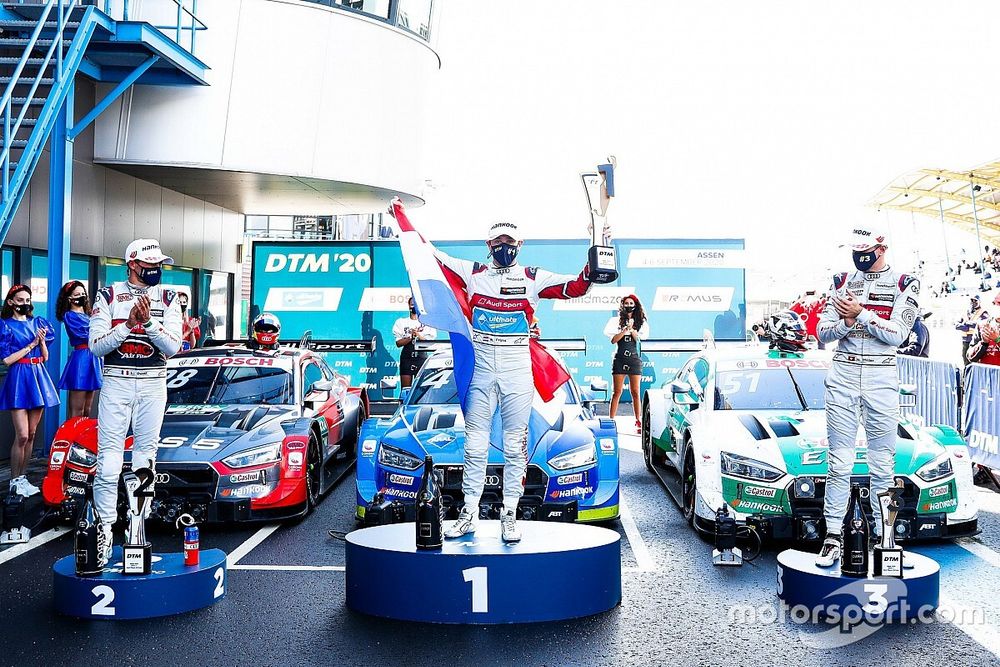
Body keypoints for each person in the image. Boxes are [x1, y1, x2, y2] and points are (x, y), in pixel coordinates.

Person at [425, 216, 596, 543]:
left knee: (515, 447)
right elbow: (429, 255)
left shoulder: (533, 277)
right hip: (482, 368)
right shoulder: (473, 273)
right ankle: (468, 514)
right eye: (498, 242)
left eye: (510, 242)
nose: (505, 247)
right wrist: (401, 219)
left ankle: (509, 515)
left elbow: (573, 287)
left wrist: (592, 268)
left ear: (520, 245)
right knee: (475, 445)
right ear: (489, 245)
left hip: (518, 369)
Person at [814, 224, 918, 568]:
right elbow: (823, 333)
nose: (860, 256)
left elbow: (899, 335)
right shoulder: (841, 279)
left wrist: (861, 314)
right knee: (839, 462)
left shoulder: (905, 282)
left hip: (881, 375)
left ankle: (885, 538)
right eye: (855, 249)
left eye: (866, 249)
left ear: (882, 247)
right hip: (843, 374)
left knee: (882, 465)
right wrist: (845, 323)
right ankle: (832, 537)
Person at [89, 239, 182, 566]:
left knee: (146, 459)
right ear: (132, 264)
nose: (156, 269)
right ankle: (104, 531)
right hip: (116, 381)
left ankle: (137, 529)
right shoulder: (108, 295)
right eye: (149, 264)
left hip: (154, 384)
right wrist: (128, 325)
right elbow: (96, 346)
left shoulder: (170, 297)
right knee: (109, 461)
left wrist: (149, 324)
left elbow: (173, 347)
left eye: (159, 264)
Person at [0, 285, 58, 496]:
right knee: (22, 435)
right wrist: (31, 343)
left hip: (38, 375)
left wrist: (41, 342)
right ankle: (14, 480)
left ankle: (23, 478)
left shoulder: (38, 322)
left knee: (32, 433)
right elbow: (6, 360)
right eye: (20, 299)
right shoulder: (5, 325)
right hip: (18, 378)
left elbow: (45, 357)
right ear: (11, 302)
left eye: (28, 299)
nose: (25, 303)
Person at [55, 280, 102, 418]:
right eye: (77, 294)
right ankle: (73, 439)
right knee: (77, 410)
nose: (82, 296)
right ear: (69, 298)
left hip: (94, 357)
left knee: (88, 409)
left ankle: (83, 438)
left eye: (83, 293)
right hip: (81, 359)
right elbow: (85, 334)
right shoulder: (69, 315)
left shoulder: (89, 314)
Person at [604, 294, 649, 429]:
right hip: (619, 358)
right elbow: (613, 340)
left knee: (635, 391)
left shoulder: (641, 322)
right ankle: (611, 419)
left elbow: (640, 339)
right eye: (626, 303)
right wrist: (624, 330)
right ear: (622, 305)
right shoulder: (615, 321)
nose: (629, 306)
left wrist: (632, 329)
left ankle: (638, 419)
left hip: (634, 359)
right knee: (617, 391)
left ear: (635, 305)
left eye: (631, 303)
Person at [392, 296, 438, 388]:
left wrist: (418, 335)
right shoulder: (401, 322)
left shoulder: (427, 323)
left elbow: (430, 343)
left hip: (421, 357)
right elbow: (398, 343)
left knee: (421, 389)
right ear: (409, 306)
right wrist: (410, 337)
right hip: (407, 357)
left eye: (416, 304)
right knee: (405, 389)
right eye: (412, 304)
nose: (414, 307)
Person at [956, 295, 989, 365]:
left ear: (980, 302)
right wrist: (966, 327)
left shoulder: (983, 312)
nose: (973, 302)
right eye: (972, 300)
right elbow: (957, 325)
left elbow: (981, 324)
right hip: (965, 341)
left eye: (975, 300)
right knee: (965, 361)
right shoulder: (966, 312)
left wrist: (966, 323)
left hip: (975, 341)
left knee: (975, 361)